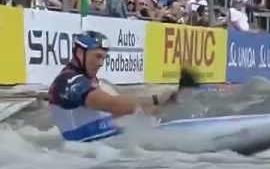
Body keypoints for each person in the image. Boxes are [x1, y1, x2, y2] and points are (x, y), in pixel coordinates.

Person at [47, 31, 177, 142]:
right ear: (80, 53)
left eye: (103, 58)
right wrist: (154, 100)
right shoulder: (70, 81)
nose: (101, 63)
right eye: (97, 56)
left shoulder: (85, 79)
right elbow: (116, 106)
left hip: (98, 145)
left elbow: (105, 114)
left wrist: (156, 108)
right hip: (85, 154)